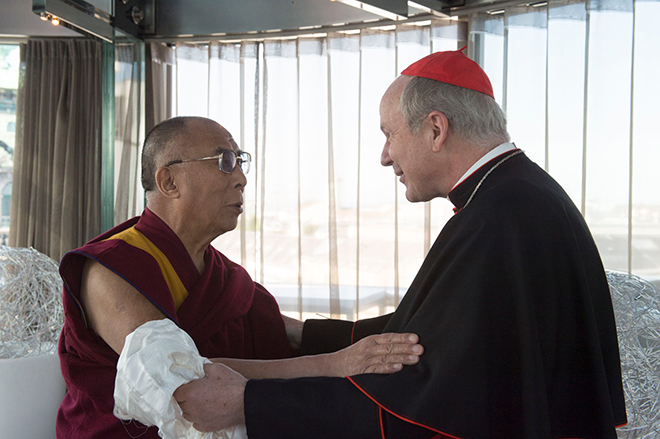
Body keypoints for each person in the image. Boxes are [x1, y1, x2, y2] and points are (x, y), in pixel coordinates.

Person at [174, 50, 628, 439]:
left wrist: (251, 403)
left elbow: (429, 400)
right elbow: (431, 337)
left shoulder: (500, 218)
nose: (384, 155)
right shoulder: (514, 196)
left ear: (435, 129)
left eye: (389, 133)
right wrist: (305, 335)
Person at [56, 116, 423, 438]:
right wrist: (336, 365)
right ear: (169, 181)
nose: (242, 178)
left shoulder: (222, 274)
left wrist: (392, 337)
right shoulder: (110, 269)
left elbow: (290, 335)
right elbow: (183, 379)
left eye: (240, 161)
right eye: (225, 161)